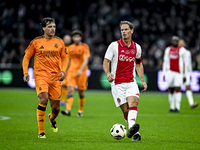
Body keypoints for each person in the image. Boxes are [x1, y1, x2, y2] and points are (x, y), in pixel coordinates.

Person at [22, 17, 67, 138]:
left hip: (55, 78)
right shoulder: (36, 42)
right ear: (43, 28)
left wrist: (63, 71)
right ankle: (41, 132)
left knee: (56, 109)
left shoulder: (60, 42)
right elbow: (27, 57)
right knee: (43, 99)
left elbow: (64, 58)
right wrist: (25, 72)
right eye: (50, 27)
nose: (53, 29)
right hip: (40, 75)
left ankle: (52, 120)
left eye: (54, 27)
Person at [103, 21, 147, 141]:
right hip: (117, 84)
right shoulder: (114, 46)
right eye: (122, 30)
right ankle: (133, 130)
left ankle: (135, 133)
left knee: (134, 104)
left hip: (131, 82)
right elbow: (106, 61)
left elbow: (138, 64)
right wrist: (108, 73)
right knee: (126, 111)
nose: (124, 32)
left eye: (126, 29)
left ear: (132, 31)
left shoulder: (137, 47)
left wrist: (142, 80)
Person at [61, 30, 90, 117]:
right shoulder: (70, 48)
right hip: (71, 72)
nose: (76, 38)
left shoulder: (85, 47)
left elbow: (86, 60)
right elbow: (68, 61)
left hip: (82, 72)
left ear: (80, 38)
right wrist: (65, 71)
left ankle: (80, 111)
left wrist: (80, 70)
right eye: (75, 37)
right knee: (70, 90)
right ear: (72, 38)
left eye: (78, 37)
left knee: (81, 92)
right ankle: (68, 110)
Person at [162, 36, 187, 113]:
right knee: (171, 89)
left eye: (176, 41)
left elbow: (184, 63)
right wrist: (164, 73)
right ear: (172, 41)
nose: (175, 42)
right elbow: (165, 61)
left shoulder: (182, 50)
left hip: (179, 72)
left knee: (177, 88)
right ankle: (172, 107)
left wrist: (185, 75)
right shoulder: (168, 49)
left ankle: (177, 107)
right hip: (170, 72)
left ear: (178, 41)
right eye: (173, 41)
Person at [178, 39, 198, 108]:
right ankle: (177, 105)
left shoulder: (184, 52)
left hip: (182, 72)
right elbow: (188, 64)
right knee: (185, 88)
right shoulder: (186, 52)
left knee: (182, 88)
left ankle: (190, 103)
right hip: (181, 72)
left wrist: (190, 73)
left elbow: (189, 64)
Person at [60, 35, 72, 107]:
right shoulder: (61, 48)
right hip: (60, 69)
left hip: (67, 69)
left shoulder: (71, 48)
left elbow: (70, 60)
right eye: (66, 39)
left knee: (65, 85)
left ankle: (63, 100)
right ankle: (60, 100)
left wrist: (67, 69)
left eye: (68, 39)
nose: (67, 40)